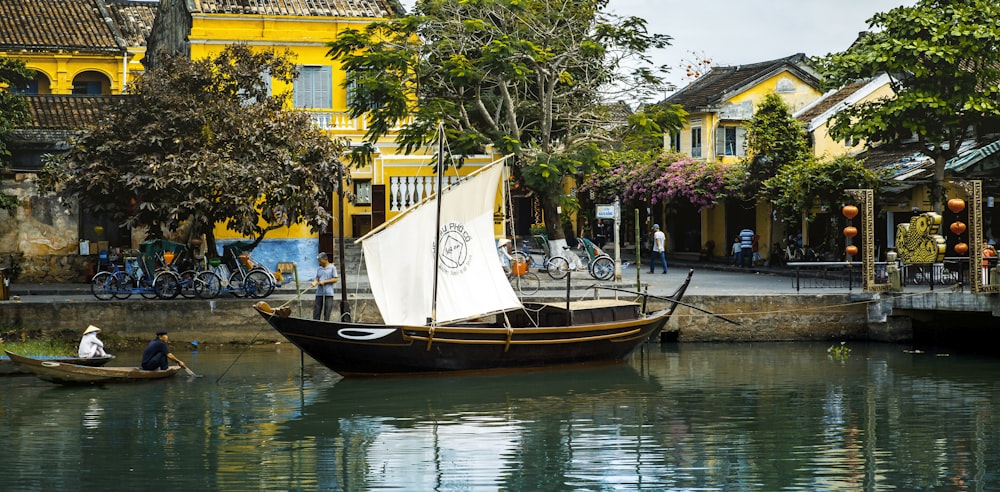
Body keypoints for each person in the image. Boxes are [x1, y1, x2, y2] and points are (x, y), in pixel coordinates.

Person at [311, 252, 339, 321]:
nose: (319, 262)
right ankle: (315, 325)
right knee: (316, 311)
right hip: (319, 293)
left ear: (325, 259)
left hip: (328, 293)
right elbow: (317, 278)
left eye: (320, 260)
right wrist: (314, 282)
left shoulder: (332, 268)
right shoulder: (319, 269)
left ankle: (325, 326)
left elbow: (335, 279)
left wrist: (324, 282)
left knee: (327, 312)